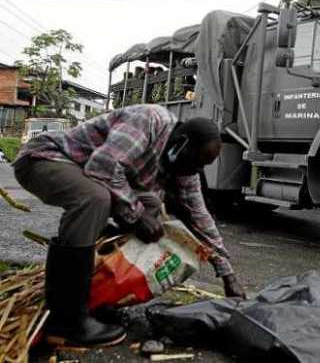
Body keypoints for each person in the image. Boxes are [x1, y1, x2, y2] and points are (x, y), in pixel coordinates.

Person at [12, 104, 244, 347]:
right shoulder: (149, 120)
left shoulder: (185, 163)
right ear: (182, 142)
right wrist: (136, 215)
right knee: (94, 198)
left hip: (88, 173)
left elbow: (200, 218)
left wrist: (228, 275)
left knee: (151, 203)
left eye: (203, 167)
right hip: (46, 159)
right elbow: (102, 167)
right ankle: (67, 321)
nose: (196, 171)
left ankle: (97, 297)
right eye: (196, 162)